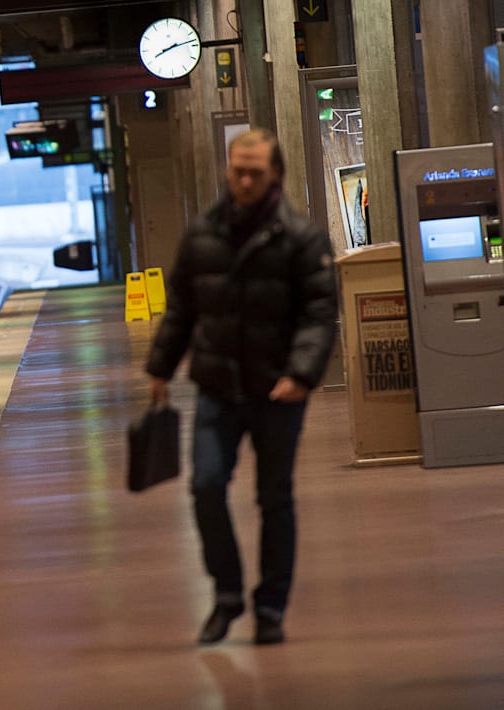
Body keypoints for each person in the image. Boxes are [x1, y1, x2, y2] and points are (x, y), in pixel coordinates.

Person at [144, 128, 336, 645]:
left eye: (255, 172)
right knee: (205, 486)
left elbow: (319, 314)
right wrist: (160, 367)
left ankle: (270, 608)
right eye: (237, 170)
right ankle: (227, 595)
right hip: (217, 388)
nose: (245, 180)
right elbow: (182, 308)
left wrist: (301, 374)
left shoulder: (301, 238)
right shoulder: (202, 235)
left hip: (277, 392)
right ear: (227, 170)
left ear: (276, 175)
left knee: (274, 498)